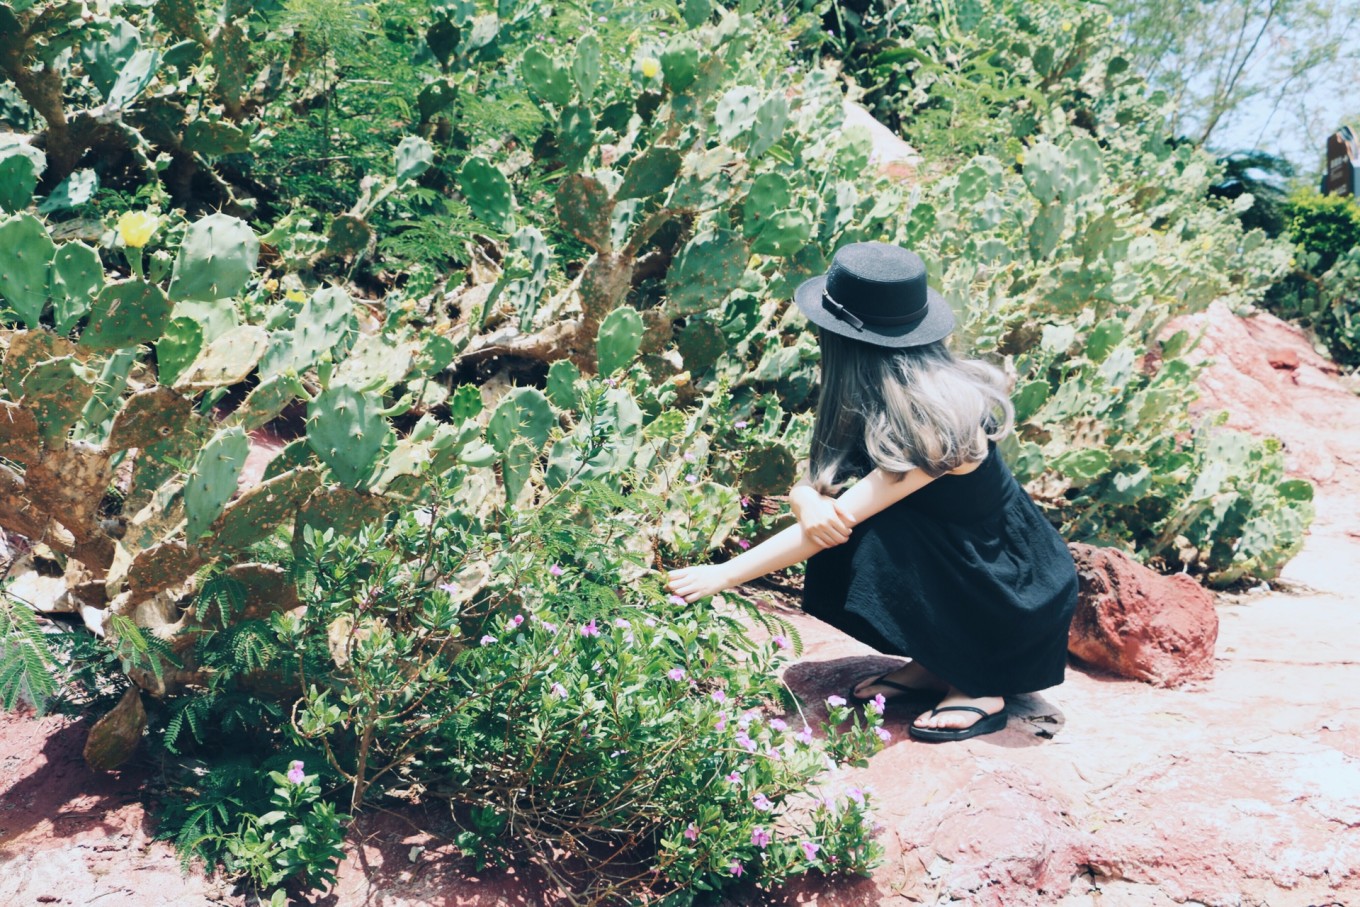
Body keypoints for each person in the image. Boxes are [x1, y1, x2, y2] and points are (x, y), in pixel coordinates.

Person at [665, 241, 1079, 743]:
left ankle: (980, 684)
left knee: (873, 534)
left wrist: (723, 574)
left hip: (1012, 597)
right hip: (973, 568)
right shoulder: (891, 392)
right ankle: (934, 663)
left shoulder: (934, 422)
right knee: (875, 529)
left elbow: (838, 522)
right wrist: (804, 499)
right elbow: (826, 493)